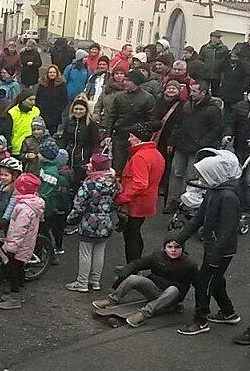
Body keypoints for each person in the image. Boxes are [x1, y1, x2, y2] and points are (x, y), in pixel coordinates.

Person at [176, 149, 242, 336]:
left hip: (220, 250)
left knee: (203, 282)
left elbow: (228, 231)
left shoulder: (228, 197)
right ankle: (228, 312)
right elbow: (199, 218)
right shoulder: (214, 192)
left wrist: (215, 254)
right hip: (214, 247)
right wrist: (179, 238)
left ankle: (201, 319)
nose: (201, 179)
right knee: (216, 280)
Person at [93, 238, 198, 328]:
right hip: (155, 291)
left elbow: (199, 284)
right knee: (133, 278)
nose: (173, 250)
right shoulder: (157, 256)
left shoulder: (189, 264)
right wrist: (121, 277)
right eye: (170, 247)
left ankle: (143, 314)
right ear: (165, 248)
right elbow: (136, 264)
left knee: (173, 289)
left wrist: (201, 310)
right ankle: (111, 299)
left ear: (182, 249)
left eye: (177, 247)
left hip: (172, 297)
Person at [164, 81, 222, 213]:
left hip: (197, 149)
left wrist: (201, 143)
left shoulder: (213, 109)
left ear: (203, 92)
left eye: (195, 91)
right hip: (182, 145)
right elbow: (178, 125)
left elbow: (216, 130)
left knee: (191, 177)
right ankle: (174, 201)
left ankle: (187, 203)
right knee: (176, 173)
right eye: (191, 91)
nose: (191, 94)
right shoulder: (186, 105)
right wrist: (172, 141)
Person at [64, 153, 118, 293]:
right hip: (106, 223)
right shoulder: (114, 183)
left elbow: (79, 205)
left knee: (85, 253)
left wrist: (70, 219)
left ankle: (82, 282)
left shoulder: (89, 184)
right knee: (100, 251)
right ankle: (95, 281)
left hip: (89, 223)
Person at [114, 123, 165, 263]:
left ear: (139, 138)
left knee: (131, 236)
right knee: (135, 233)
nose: (129, 139)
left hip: (136, 204)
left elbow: (140, 183)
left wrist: (122, 198)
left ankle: (132, 268)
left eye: (132, 136)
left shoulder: (140, 157)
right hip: (147, 202)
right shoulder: (156, 154)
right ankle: (136, 265)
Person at [0, 173, 44, 310]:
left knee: (13, 271)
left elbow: (19, 230)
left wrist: (10, 248)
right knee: (19, 270)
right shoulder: (32, 203)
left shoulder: (24, 208)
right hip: (25, 245)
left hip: (18, 247)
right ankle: (17, 294)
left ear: (22, 189)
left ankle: (15, 297)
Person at [103, 68, 157, 172]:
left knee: (134, 168)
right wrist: (108, 134)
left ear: (135, 82)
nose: (124, 82)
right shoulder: (120, 97)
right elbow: (112, 116)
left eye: (127, 80)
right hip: (120, 136)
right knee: (118, 167)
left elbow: (151, 121)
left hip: (136, 139)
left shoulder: (148, 98)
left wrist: (141, 134)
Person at [57, 99, 100, 188]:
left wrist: (93, 158)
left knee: (80, 181)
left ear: (86, 110)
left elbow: (96, 143)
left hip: (84, 158)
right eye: (76, 109)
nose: (78, 111)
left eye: (81, 109)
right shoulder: (69, 122)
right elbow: (64, 139)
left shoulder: (91, 124)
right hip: (70, 156)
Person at [6, 89, 40, 157]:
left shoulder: (36, 111)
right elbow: (8, 132)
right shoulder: (12, 113)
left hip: (32, 149)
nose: (33, 102)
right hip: (16, 149)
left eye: (34, 100)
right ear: (23, 100)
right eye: (30, 100)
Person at [35, 65, 68, 134]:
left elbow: (64, 100)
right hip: (43, 112)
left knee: (52, 133)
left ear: (57, 73)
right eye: (50, 72)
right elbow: (38, 98)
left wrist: (59, 110)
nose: (52, 74)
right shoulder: (42, 84)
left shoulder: (61, 85)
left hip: (55, 114)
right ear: (47, 73)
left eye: (54, 72)